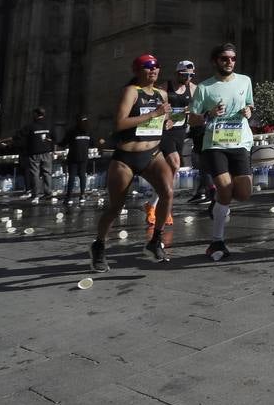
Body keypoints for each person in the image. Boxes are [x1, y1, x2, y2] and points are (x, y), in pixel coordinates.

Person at [90, 54, 175, 271]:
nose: (153, 70)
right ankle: (99, 245)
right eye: (148, 66)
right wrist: (154, 114)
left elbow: (162, 118)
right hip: (126, 158)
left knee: (168, 192)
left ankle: (155, 240)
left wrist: (167, 121)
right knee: (115, 207)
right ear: (137, 71)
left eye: (156, 66)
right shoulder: (131, 92)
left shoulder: (162, 94)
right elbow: (120, 123)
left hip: (153, 154)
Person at [189, 43, 255, 261]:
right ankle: (217, 240)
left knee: (244, 193)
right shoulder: (204, 88)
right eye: (224, 59)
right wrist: (209, 113)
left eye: (233, 59)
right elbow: (193, 119)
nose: (229, 62)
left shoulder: (245, 81)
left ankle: (218, 204)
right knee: (226, 189)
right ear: (215, 61)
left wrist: (249, 111)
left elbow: (250, 105)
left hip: (240, 142)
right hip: (215, 144)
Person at [0, 108, 61, 202]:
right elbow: (55, 140)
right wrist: (54, 151)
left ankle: (35, 194)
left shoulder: (30, 126)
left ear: (36, 114)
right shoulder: (49, 126)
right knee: (47, 173)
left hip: (34, 153)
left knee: (35, 174)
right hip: (46, 153)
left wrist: (0, 141)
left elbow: (16, 137)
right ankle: (48, 193)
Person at [159, 60, 196, 206]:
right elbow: (156, 107)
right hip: (166, 130)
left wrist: (191, 109)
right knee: (175, 164)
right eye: (185, 75)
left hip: (181, 131)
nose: (188, 78)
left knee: (172, 168)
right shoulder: (165, 88)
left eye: (191, 75)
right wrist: (166, 118)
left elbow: (198, 106)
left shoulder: (192, 88)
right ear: (177, 73)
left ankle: (157, 201)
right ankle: (165, 198)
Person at [62, 116, 97, 204]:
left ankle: (69, 197)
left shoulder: (72, 132)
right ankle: (82, 195)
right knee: (82, 176)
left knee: (72, 176)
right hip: (84, 157)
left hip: (73, 157)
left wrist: (55, 142)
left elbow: (64, 142)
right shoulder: (89, 132)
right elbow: (93, 143)